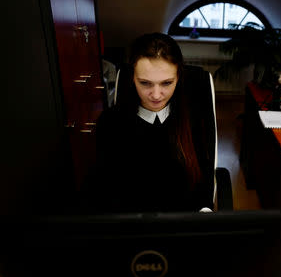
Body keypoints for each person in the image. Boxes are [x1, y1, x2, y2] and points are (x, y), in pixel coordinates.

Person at [86, 33, 214, 213]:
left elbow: (204, 177)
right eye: (145, 83)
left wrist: (204, 211)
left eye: (167, 83)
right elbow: (104, 188)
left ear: (178, 78)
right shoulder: (111, 123)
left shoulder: (193, 118)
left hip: (184, 226)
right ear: (132, 78)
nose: (155, 95)